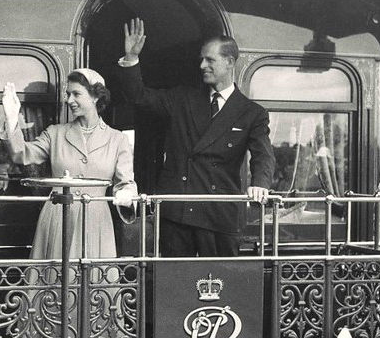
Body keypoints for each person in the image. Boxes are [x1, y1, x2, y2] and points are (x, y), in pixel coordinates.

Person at [117, 18, 275, 257]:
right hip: (177, 213)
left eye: (210, 60)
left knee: (218, 286)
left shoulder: (252, 113)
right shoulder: (183, 98)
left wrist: (260, 185)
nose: (202, 65)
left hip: (219, 216)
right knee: (175, 285)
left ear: (229, 62)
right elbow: (139, 96)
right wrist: (131, 58)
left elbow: (263, 155)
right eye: (201, 59)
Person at [0, 69, 137, 260]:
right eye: (68, 94)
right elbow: (21, 154)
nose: (69, 100)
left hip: (97, 221)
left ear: (96, 97)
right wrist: (12, 119)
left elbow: (126, 182)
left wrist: (126, 194)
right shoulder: (55, 133)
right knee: (56, 279)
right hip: (58, 216)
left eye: (76, 94)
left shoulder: (117, 139)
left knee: (94, 283)